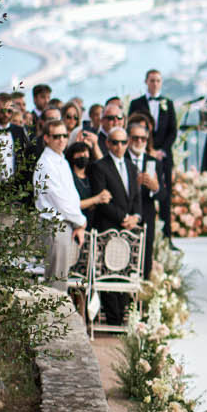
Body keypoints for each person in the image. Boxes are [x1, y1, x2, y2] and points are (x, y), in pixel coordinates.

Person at [89, 120, 147, 321]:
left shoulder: (132, 167)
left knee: (126, 272)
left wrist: (136, 218)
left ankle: (124, 316)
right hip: (108, 228)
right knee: (109, 273)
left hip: (129, 230)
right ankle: (114, 318)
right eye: (115, 142)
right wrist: (123, 217)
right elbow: (102, 200)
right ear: (108, 144)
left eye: (123, 142)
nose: (119, 146)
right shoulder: (99, 167)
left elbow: (137, 196)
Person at [33, 123, 86, 288]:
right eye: (56, 136)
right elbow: (60, 200)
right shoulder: (46, 164)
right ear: (47, 138)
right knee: (55, 282)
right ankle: (53, 315)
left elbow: (72, 195)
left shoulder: (60, 160)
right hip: (55, 225)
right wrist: (81, 221)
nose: (62, 140)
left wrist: (78, 223)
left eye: (64, 135)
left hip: (65, 224)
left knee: (60, 279)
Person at [129, 68, 178, 235]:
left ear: (161, 82)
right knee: (143, 191)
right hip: (141, 152)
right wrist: (147, 149)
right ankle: (143, 231)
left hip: (162, 156)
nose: (155, 83)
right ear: (146, 82)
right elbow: (132, 127)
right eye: (152, 80)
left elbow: (173, 131)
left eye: (157, 80)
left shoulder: (168, 103)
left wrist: (161, 151)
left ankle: (167, 235)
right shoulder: (136, 103)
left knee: (164, 194)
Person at [125, 114, 162, 270]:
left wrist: (155, 188)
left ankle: (145, 290)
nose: (139, 142)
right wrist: (134, 185)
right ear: (128, 139)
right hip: (126, 215)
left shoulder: (153, 162)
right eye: (135, 138)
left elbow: (164, 195)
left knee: (146, 257)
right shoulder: (121, 159)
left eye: (143, 139)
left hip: (147, 214)